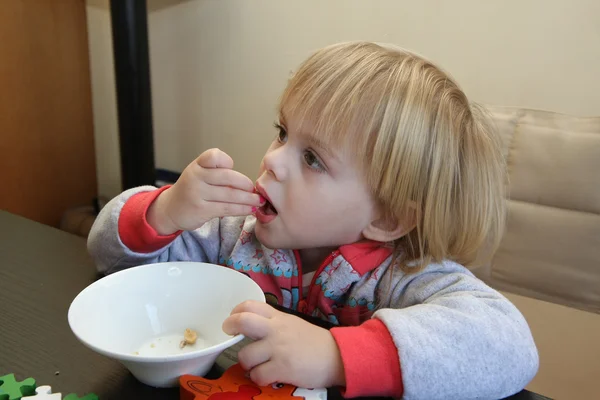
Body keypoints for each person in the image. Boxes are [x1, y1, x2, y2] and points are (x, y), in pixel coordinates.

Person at [88, 42, 539, 399]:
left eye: (312, 158)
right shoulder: (232, 233)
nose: (272, 159)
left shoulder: (403, 277)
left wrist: (336, 356)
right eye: (283, 132)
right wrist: (165, 212)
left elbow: (509, 347)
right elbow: (108, 258)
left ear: (386, 218)